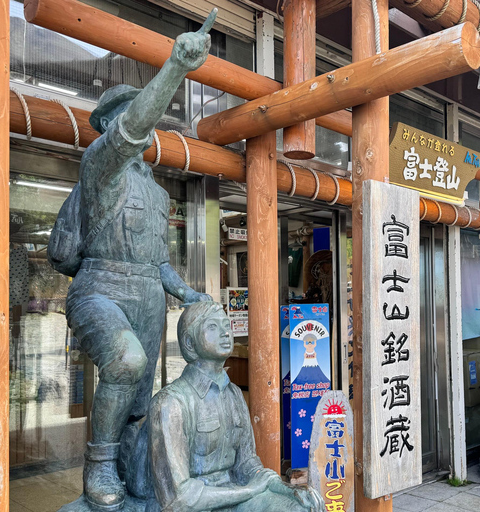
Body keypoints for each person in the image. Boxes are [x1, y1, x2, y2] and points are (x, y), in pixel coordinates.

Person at [64, 12, 216, 511]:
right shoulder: (100, 167)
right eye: (134, 115)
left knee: (137, 400)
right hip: (101, 287)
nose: (145, 124)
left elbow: (160, 263)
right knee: (126, 362)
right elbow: (132, 128)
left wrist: (187, 292)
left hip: (147, 291)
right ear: (109, 125)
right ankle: (99, 462)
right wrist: (175, 67)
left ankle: (131, 468)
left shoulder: (155, 193)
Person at [142, 301, 323, 512]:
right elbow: (178, 499)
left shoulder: (234, 394)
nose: (226, 333)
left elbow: (247, 463)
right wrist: (247, 492)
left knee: (301, 507)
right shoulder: (171, 403)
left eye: (226, 325)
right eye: (212, 327)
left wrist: (286, 489)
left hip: (235, 498)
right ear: (189, 343)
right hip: (197, 507)